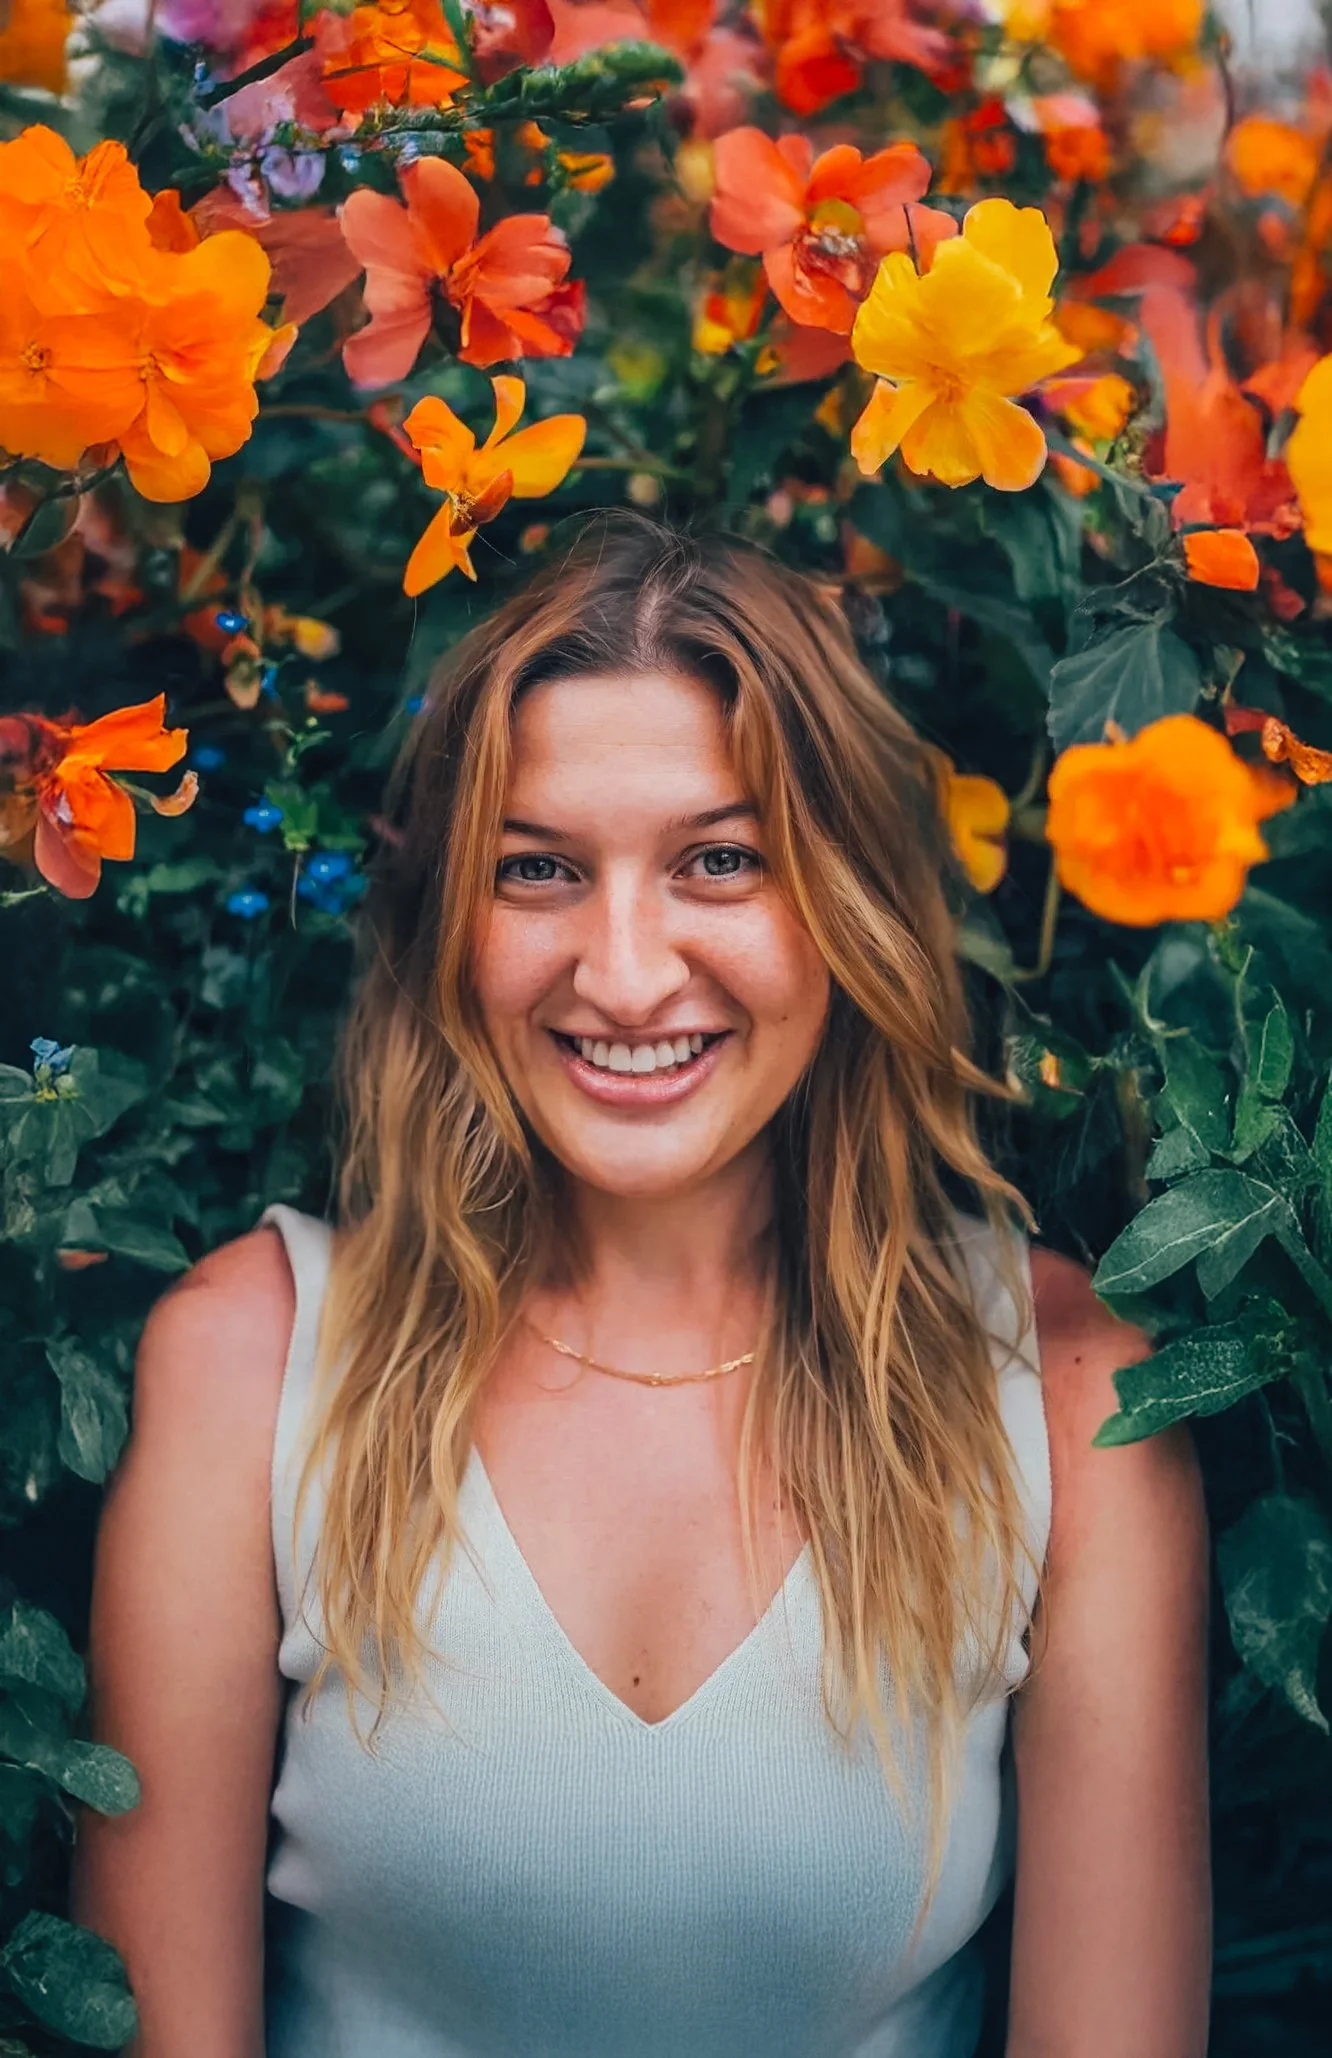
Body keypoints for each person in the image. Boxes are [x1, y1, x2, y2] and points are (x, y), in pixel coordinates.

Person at [71, 515, 1211, 2058]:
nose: (622, 972)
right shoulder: (250, 1365)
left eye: (719, 861)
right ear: (453, 922)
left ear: (848, 899)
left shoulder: (1070, 1396)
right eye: (536, 867)